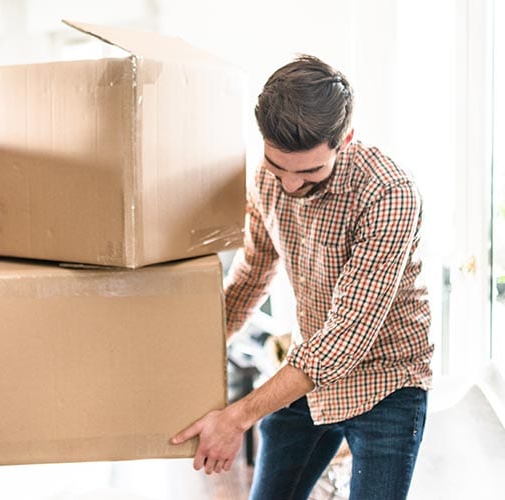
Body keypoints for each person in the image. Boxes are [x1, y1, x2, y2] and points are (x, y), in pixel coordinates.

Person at [171, 55, 434, 500]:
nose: (290, 185)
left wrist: (237, 417)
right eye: (280, 167)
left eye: (309, 171)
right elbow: (250, 278)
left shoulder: (388, 193)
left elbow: (345, 338)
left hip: (388, 380)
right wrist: (190, 361)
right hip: (310, 368)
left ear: (344, 139)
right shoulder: (265, 179)